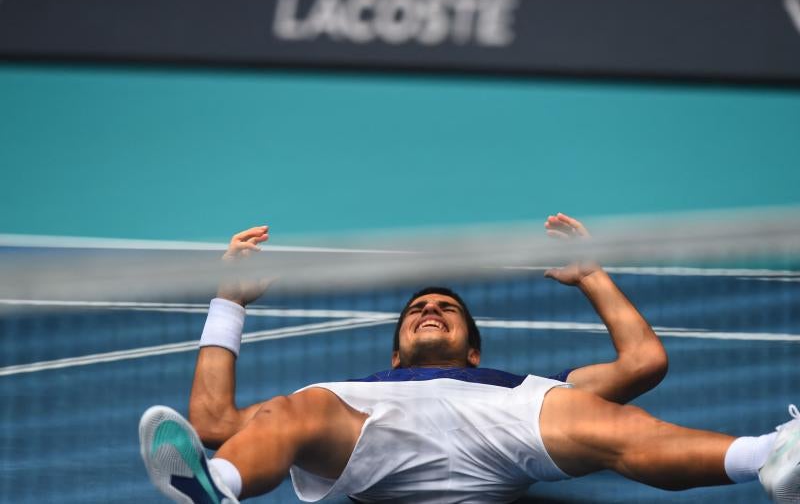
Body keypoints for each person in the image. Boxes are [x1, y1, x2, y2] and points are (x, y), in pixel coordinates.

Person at [139, 214, 800, 504]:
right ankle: (217, 490)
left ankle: (769, 458)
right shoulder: (349, 391)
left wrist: (593, 275)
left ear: (472, 345)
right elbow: (216, 419)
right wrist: (229, 300)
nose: (430, 309)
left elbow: (644, 361)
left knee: (600, 418)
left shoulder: (523, 387)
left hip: (503, 430)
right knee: (298, 407)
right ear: (395, 349)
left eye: (446, 309)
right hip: (374, 439)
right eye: (418, 309)